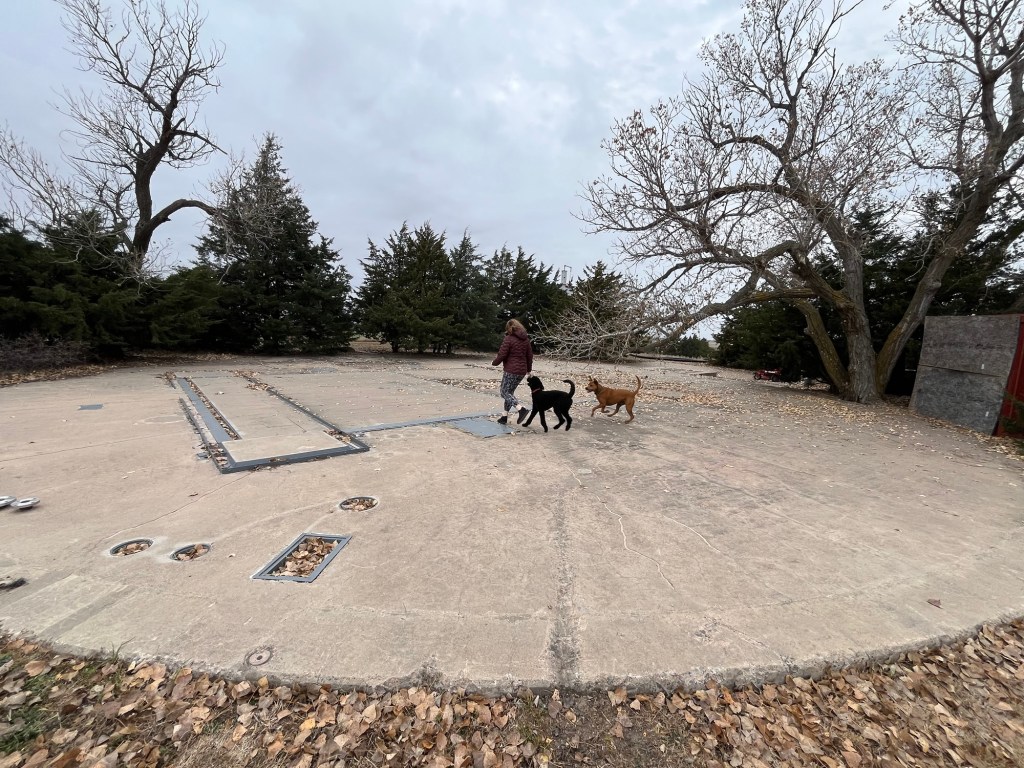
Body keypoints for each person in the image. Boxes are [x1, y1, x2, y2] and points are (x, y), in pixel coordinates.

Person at [491, 318, 533, 425]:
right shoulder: (526, 340)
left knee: (504, 392)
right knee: (510, 393)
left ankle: (521, 409)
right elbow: (529, 356)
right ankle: (504, 417)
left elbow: (502, 354)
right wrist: (528, 370)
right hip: (521, 371)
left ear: (509, 328)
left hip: (511, 370)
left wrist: (494, 363)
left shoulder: (508, 339)